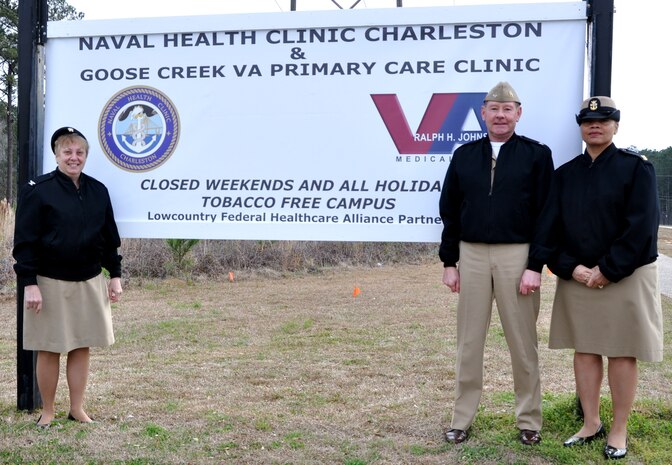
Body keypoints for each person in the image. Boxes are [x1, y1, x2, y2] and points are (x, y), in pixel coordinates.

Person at [543, 97, 663, 460]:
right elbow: (550, 229)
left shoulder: (635, 169)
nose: (595, 125)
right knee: (585, 350)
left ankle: (619, 429)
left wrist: (608, 270)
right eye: (588, 121)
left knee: (623, 353)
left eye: (604, 120)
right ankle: (591, 422)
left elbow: (642, 226)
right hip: (580, 277)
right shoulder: (565, 174)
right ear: (580, 127)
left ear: (616, 126)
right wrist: (570, 267)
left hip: (624, 276)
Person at [439, 82, 554, 445]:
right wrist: (449, 261)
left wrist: (536, 265)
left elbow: (547, 213)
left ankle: (529, 421)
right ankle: (461, 418)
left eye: (508, 109)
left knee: (522, 343)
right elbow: (449, 211)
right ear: (483, 113)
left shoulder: (536, 155)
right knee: (469, 343)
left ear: (518, 114)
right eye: (494, 109)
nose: (500, 116)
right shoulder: (464, 154)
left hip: (517, 256)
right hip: (471, 253)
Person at [13, 127, 123, 429]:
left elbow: (108, 238)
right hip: (49, 281)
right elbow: (24, 243)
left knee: (81, 344)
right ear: (57, 155)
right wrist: (30, 283)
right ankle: (47, 410)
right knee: (49, 347)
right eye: (67, 152)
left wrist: (115, 274)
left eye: (79, 153)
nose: (74, 158)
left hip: (89, 279)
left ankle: (77, 409)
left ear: (85, 156)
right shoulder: (37, 190)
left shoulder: (98, 191)